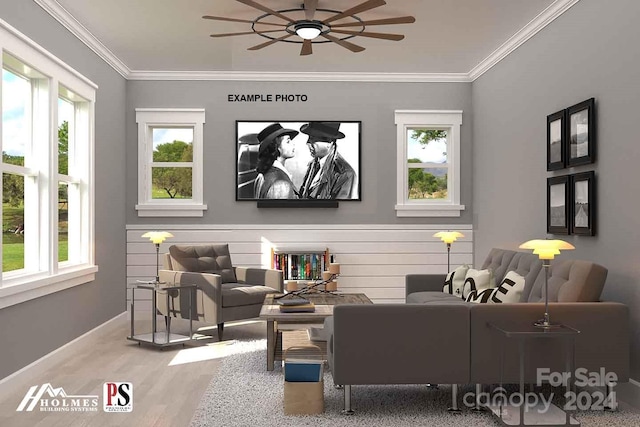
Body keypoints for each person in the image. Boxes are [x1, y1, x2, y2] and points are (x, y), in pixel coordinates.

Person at [298, 122, 357, 199]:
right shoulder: (313, 165)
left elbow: (342, 208)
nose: (308, 142)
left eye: (312, 138)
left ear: (329, 142)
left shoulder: (344, 174)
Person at [253, 123, 299, 199]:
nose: (293, 144)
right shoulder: (281, 184)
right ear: (276, 147)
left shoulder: (261, 175)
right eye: (288, 141)